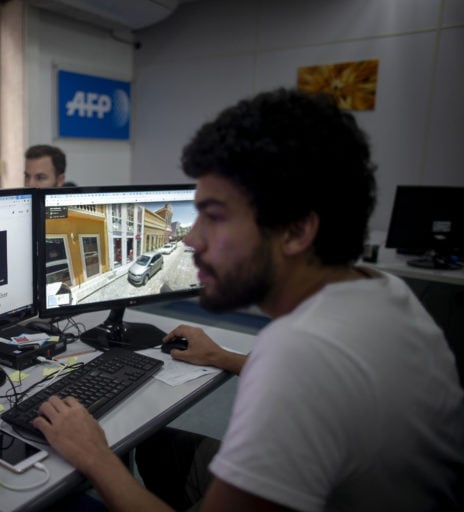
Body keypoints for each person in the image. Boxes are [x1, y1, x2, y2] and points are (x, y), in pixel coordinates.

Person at [32, 88, 464, 511]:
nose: (194, 240)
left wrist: (93, 455)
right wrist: (226, 358)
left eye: (215, 216)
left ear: (295, 231)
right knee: (156, 445)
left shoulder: (301, 354)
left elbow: (307, 374)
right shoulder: (386, 292)